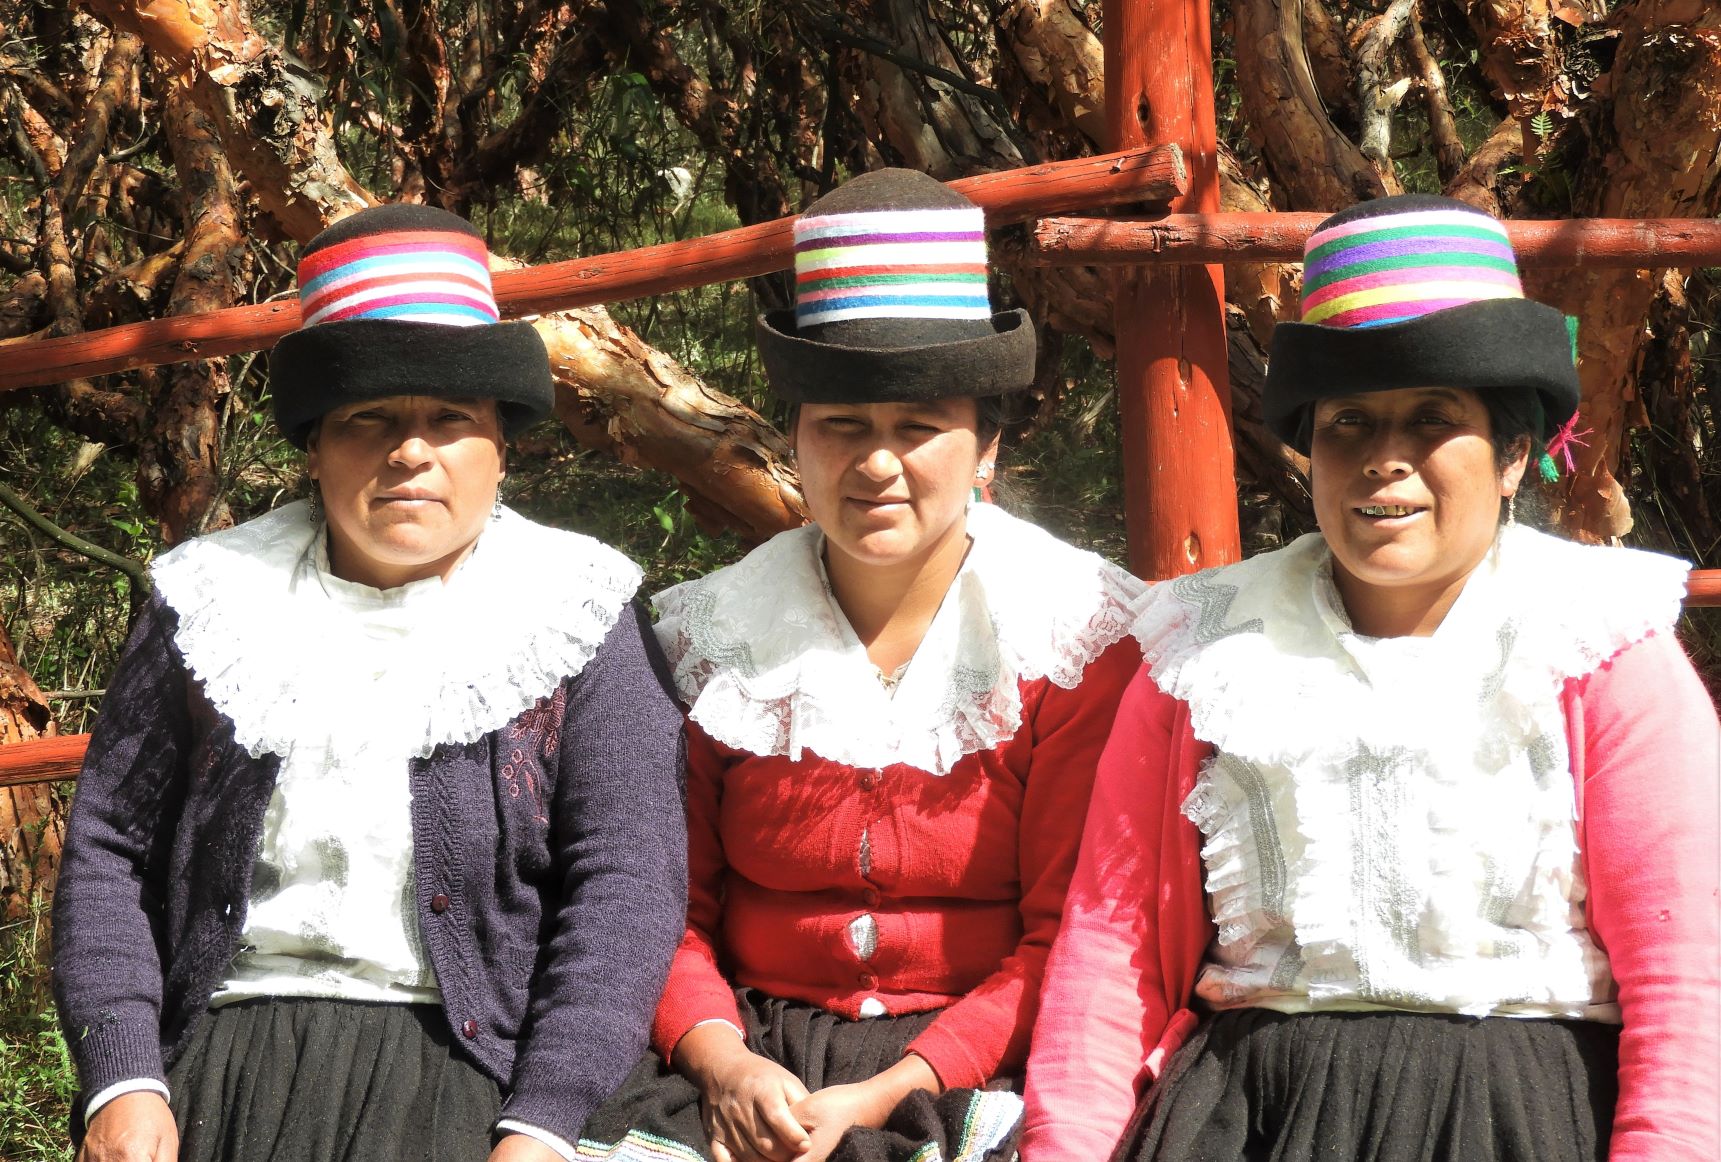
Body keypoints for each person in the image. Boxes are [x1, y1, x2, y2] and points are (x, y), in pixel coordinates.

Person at [1021, 194, 1720, 1162]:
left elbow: (1686, 972)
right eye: (1347, 422)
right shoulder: (1201, 650)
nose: (1384, 461)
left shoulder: (1599, 644)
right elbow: (1110, 948)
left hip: (1515, 1122)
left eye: (1432, 419)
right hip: (1245, 1121)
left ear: (1512, 456)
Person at [52, 205, 689, 1162]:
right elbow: (109, 848)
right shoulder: (209, 599)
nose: (409, 452)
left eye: (451, 419)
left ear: (502, 445)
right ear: (314, 447)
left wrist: (546, 1120)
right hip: (215, 1064)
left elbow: (625, 885)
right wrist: (123, 1079)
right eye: (368, 418)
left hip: (478, 1072)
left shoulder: (579, 612)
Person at [575, 169, 1145, 1162]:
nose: (877, 464)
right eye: (841, 424)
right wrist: (724, 1063)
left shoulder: (1072, 639)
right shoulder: (707, 640)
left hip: (976, 1063)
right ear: (795, 439)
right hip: (742, 1055)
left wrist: (891, 1089)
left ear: (986, 448)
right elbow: (663, 906)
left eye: (918, 427)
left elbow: (1071, 931)